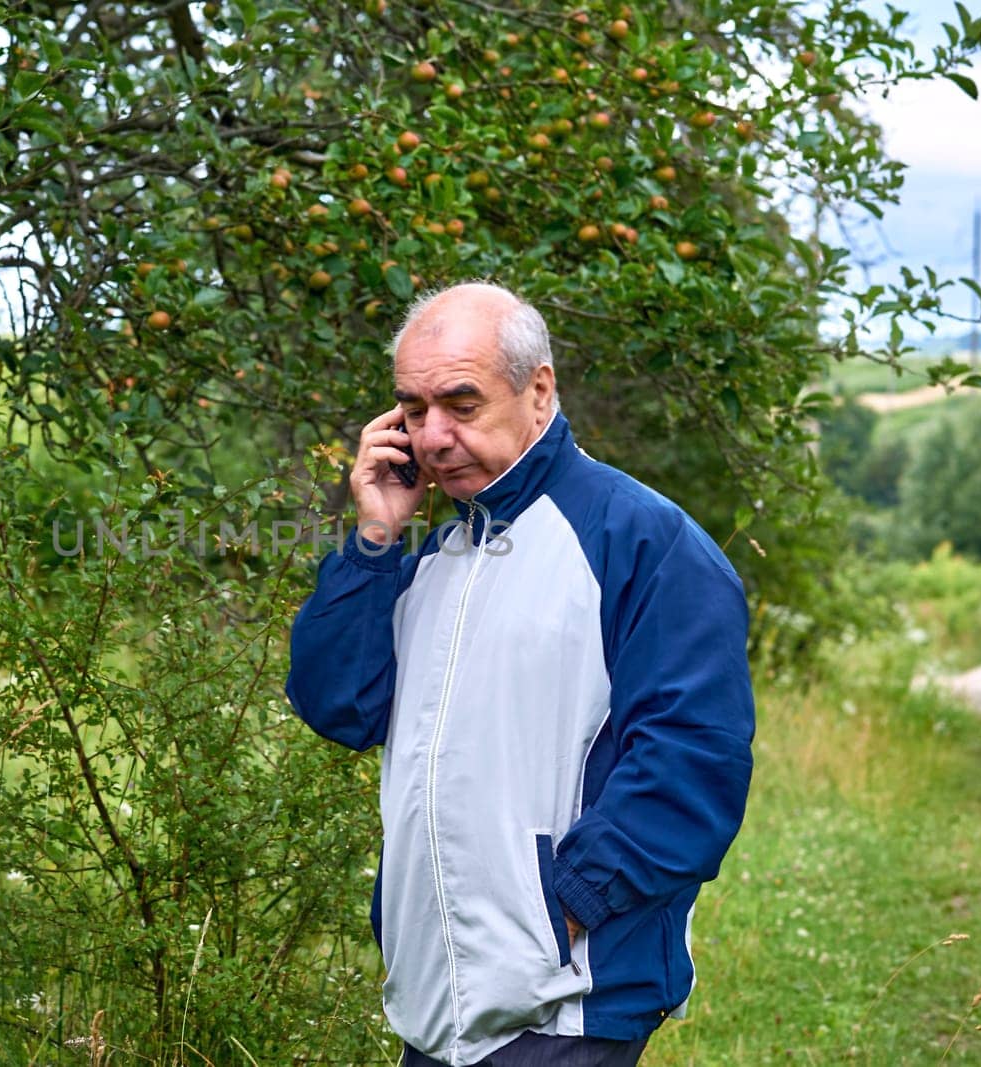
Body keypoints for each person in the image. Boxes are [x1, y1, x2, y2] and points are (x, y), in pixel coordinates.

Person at [285, 283, 755, 1067]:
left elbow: (694, 763)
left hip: (566, 1009)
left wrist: (562, 905)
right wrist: (374, 536)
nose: (432, 436)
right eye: (412, 407)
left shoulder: (643, 542)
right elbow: (338, 703)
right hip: (435, 1005)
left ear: (538, 391)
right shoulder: (434, 556)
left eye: (461, 404)